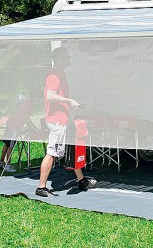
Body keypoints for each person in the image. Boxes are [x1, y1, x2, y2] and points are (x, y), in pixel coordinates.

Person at [36, 47, 96, 197]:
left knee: (70, 149)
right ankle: (41, 187)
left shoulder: (59, 73)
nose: (68, 59)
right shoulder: (54, 74)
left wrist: (70, 105)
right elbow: (50, 95)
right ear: (59, 58)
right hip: (56, 121)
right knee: (51, 153)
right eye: (66, 57)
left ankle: (81, 180)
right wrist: (69, 101)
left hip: (61, 119)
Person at [0, 91, 40, 173]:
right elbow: (26, 119)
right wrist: (36, 129)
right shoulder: (29, 105)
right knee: (11, 146)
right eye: (37, 98)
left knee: (7, 144)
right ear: (34, 97)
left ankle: (1, 162)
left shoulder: (25, 102)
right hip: (15, 127)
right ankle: (7, 165)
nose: (38, 100)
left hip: (10, 124)